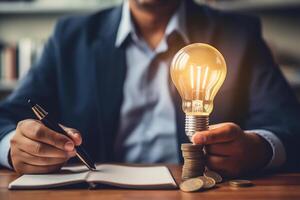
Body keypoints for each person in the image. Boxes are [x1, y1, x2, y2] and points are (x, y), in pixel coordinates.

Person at [0, 0, 299, 176]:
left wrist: (259, 148)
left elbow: (290, 125)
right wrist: (16, 145)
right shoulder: (70, 38)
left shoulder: (238, 34)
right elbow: (7, 117)